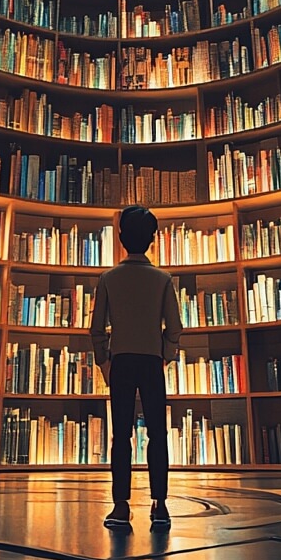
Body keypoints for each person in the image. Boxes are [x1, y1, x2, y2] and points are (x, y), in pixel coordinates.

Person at [91, 206, 182, 531]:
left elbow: (97, 329)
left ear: (120, 238)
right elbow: (174, 328)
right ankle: (159, 505)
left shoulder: (108, 279)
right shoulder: (162, 279)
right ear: (152, 239)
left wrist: (105, 363)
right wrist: (164, 356)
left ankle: (120, 505)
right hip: (151, 361)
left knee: (121, 437)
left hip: (122, 362)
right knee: (158, 433)